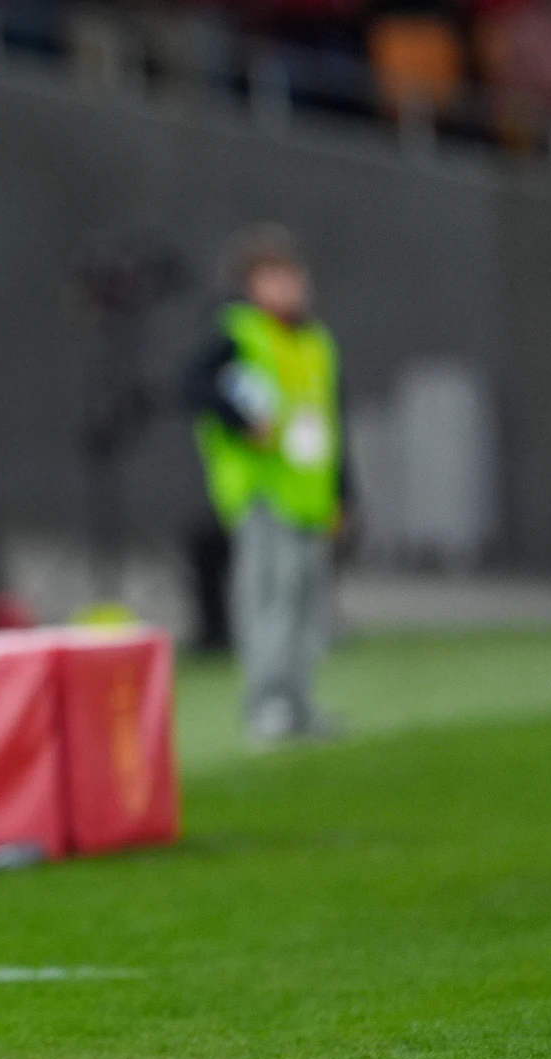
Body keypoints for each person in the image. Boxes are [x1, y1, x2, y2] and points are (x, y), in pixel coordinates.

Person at [184, 224, 350, 746]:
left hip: (309, 495)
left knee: (306, 604)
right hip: (262, 492)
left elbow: (331, 423)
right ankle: (266, 704)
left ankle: (299, 703)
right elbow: (191, 386)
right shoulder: (236, 335)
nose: (287, 287)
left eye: (291, 276)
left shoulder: (315, 343)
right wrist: (239, 418)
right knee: (269, 600)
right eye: (272, 277)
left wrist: (344, 494)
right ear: (249, 285)